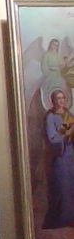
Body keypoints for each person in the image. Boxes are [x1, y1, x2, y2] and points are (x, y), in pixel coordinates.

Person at [44, 89, 74, 228]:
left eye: (63, 98)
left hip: (71, 154)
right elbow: (52, 137)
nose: (61, 100)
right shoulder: (50, 116)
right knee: (61, 186)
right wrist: (64, 132)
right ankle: (61, 218)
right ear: (53, 100)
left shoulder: (69, 114)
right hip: (60, 156)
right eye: (58, 98)